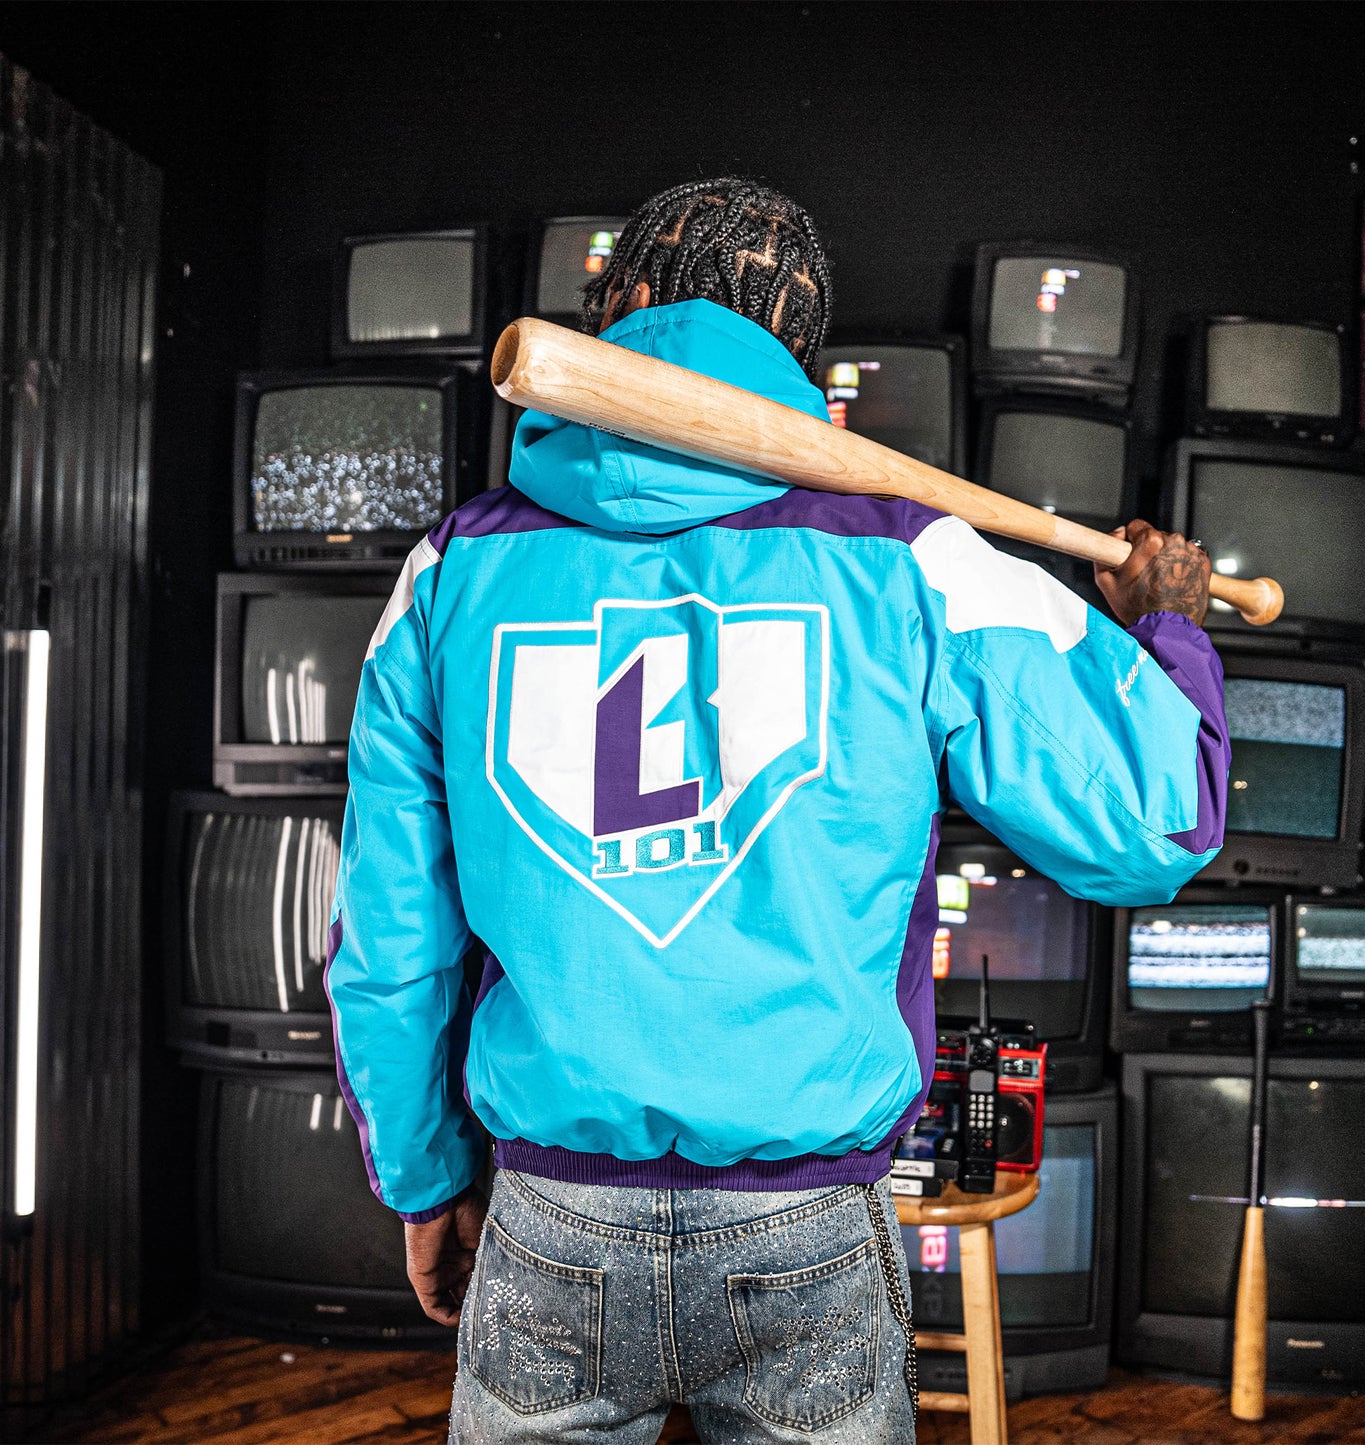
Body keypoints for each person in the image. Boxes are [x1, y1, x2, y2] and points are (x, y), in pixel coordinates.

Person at [326, 177, 1228, 1445]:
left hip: (549, 1215)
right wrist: (1166, 626)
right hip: (806, 1226)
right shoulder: (914, 557)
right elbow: (1154, 818)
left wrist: (423, 1179)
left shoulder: (449, 569)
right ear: (799, 352)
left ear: (622, 303)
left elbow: (389, 931)